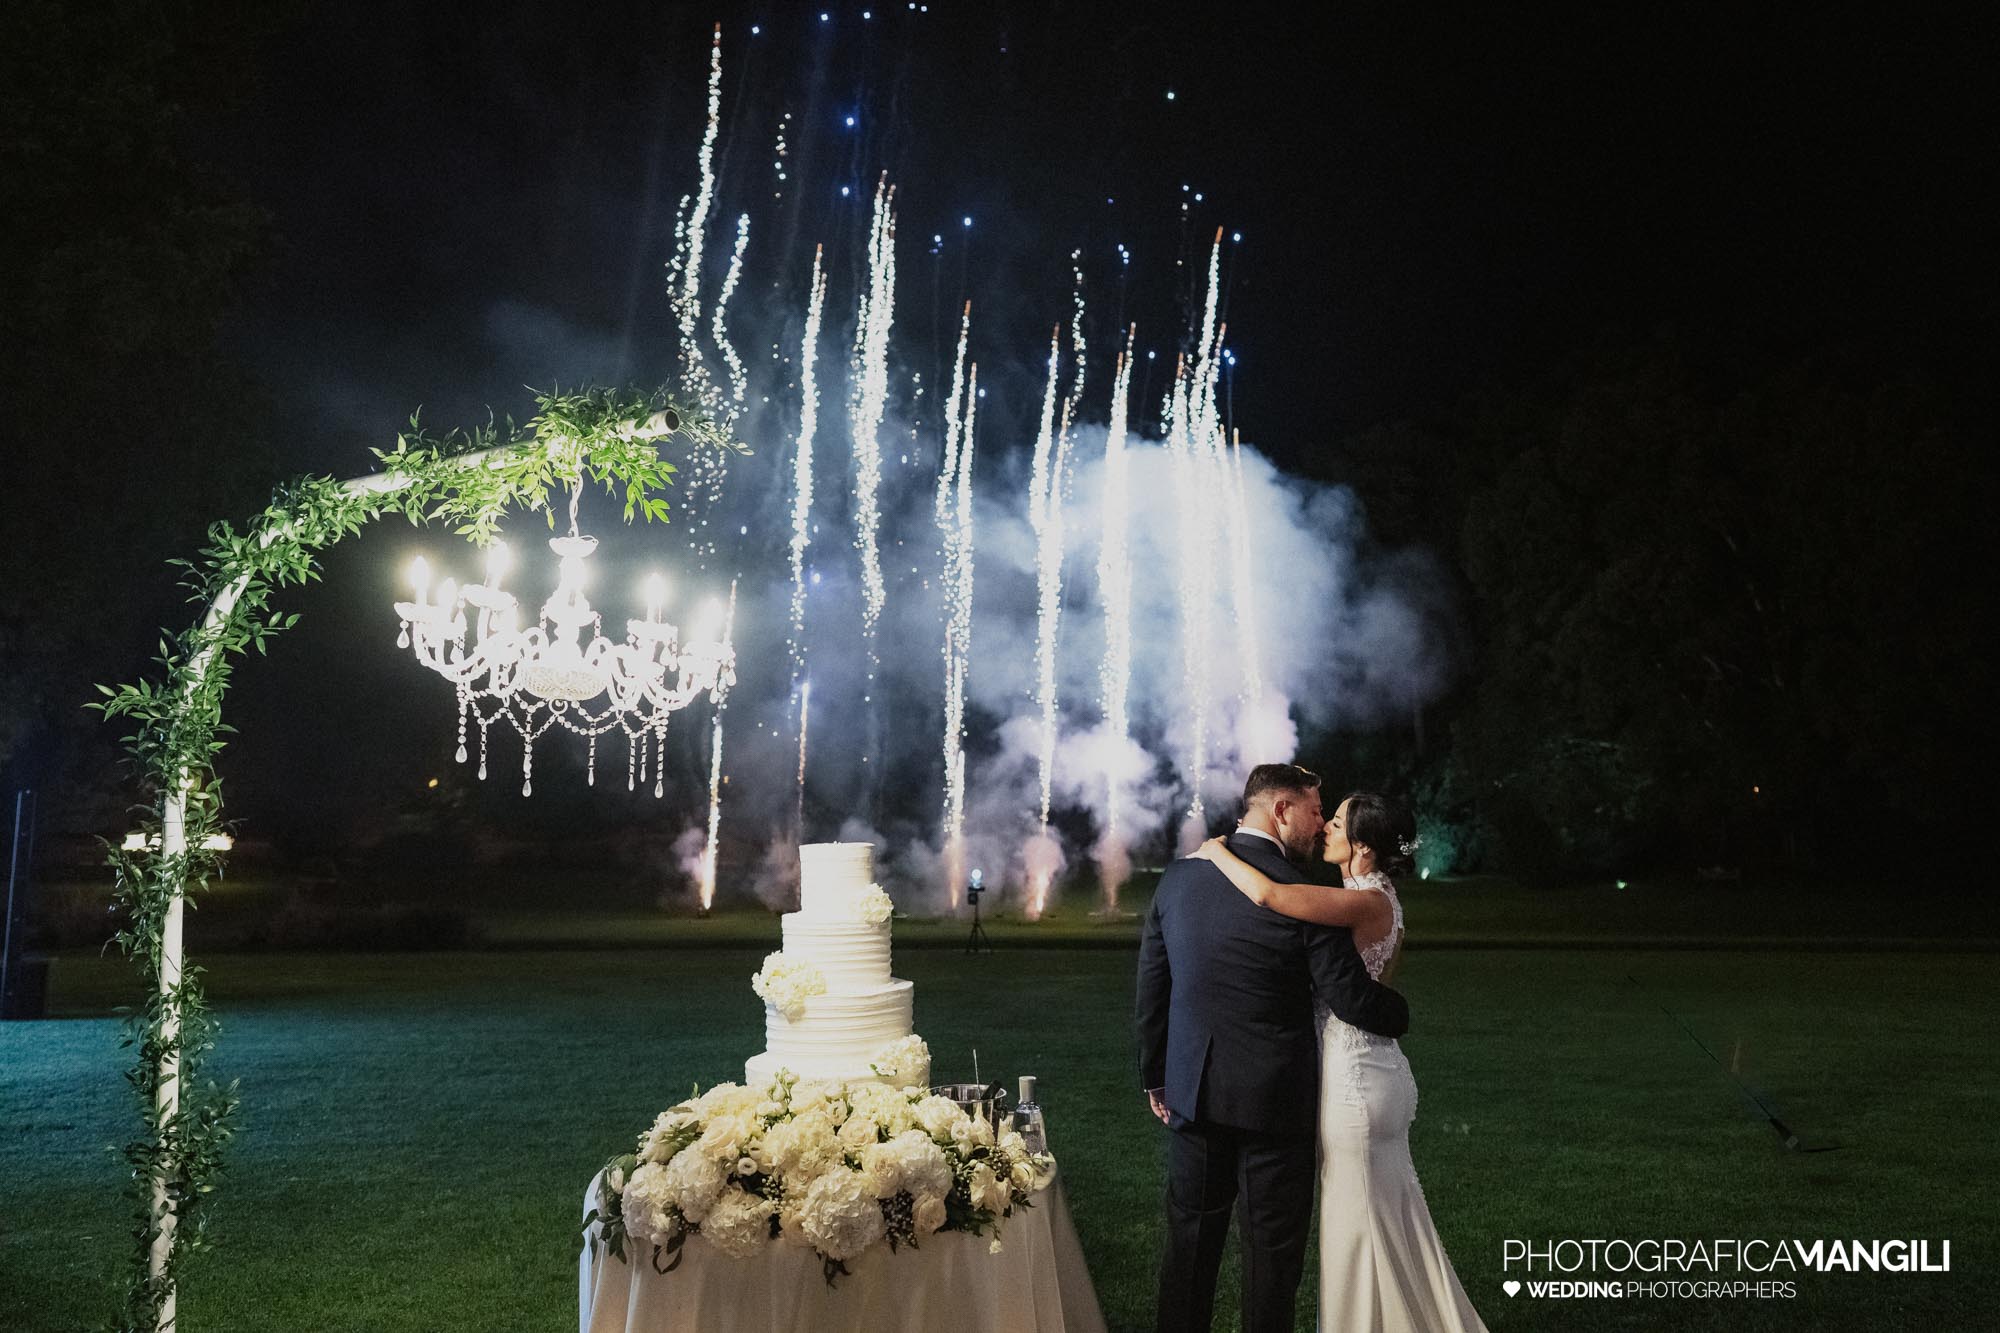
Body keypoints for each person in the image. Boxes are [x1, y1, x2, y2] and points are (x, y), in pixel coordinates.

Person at [1191, 790, 1489, 1332]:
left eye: (1337, 821)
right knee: (1386, 1218)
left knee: (1357, 1224)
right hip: (1372, 1068)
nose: (1325, 826)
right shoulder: (1377, 897)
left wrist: (1216, 854)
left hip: (1355, 1082)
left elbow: (1271, 896)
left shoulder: (1364, 900)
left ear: (1365, 847)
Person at [1135, 764, 1410, 1333]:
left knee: (1188, 1249)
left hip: (1195, 1091)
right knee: (1271, 1262)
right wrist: (1401, 1012)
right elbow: (1348, 996)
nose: (1319, 826)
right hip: (1276, 1103)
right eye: (1315, 811)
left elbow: (1153, 988)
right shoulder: (1304, 897)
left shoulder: (1179, 879)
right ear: (1281, 810)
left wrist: (1155, 1077)